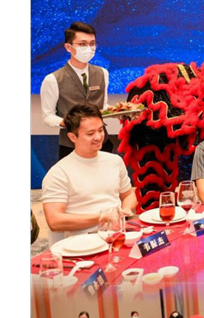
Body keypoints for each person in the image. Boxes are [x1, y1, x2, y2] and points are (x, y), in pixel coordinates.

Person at [41, 104, 136, 243]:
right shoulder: (59, 173)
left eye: (101, 130)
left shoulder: (114, 161)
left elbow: (128, 194)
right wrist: (103, 217)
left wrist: (125, 210)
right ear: (72, 137)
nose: (98, 137)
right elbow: (55, 221)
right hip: (81, 242)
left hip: (117, 235)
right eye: (90, 134)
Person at [40, 21, 113, 160]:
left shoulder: (102, 73)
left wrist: (120, 112)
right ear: (68, 47)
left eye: (92, 44)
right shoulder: (53, 79)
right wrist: (69, 122)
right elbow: (48, 117)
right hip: (71, 146)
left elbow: (103, 106)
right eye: (82, 44)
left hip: (101, 143)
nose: (89, 48)